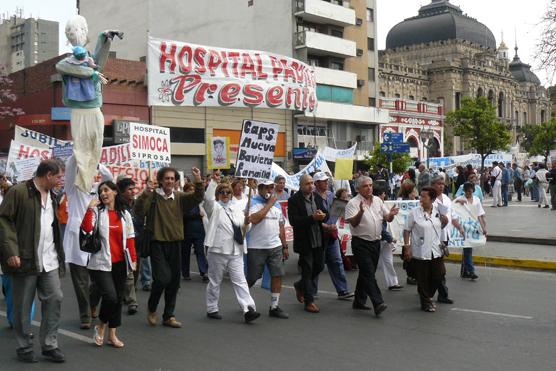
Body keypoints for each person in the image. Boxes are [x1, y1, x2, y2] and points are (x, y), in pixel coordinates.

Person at [0, 160, 66, 363]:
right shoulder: (19, 192)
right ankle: (24, 347)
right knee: (22, 306)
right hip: (25, 260)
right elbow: (3, 220)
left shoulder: (53, 197)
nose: (60, 181)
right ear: (48, 175)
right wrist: (11, 251)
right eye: (58, 177)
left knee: (55, 298)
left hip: (50, 260)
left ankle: (49, 344)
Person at [134, 167, 204, 328]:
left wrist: (198, 179)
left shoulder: (179, 197)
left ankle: (168, 315)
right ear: (160, 180)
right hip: (157, 243)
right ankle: (152, 307)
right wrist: (146, 192)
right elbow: (138, 211)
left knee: (174, 282)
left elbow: (197, 197)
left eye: (172, 179)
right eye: (166, 178)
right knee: (162, 278)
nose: (170, 181)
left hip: (175, 243)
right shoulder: (152, 197)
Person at [82, 181, 136, 348]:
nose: (103, 193)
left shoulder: (124, 214)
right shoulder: (98, 212)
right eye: (100, 191)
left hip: (121, 262)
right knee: (110, 296)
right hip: (100, 262)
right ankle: (100, 326)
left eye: (106, 190)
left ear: (114, 192)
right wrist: (90, 209)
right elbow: (86, 229)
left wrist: (133, 260)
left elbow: (130, 238)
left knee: (118, 299)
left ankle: (112, 334)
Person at [64, 155, 112, 329]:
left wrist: (96, 163)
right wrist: (78, 155)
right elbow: (69, 170)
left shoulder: (99, 189)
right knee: (81, 281)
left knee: (99, 279)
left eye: (89, 172)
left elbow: (109, 179)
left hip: (96, 240)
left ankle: (92, 303)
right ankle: (85, 315)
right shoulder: (72, 189)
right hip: (77, 241)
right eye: (82, 171)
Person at [204, 182, 260, 322]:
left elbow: (244, 226)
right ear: (218, 194)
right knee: (215, 281)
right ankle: (212, 308)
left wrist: (248, 222)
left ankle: (248, 309)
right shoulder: (214, 208)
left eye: (228, 192)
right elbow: (208, 200)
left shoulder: (236, 208)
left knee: (240, 281)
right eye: (222, 192)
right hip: (218, 250)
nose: (225, 195)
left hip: (236, 250)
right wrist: (213, 182)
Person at [344, 176, 399, 316]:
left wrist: (391, 214)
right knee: (368, 272)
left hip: (375, 243)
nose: (369, 188)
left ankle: (359, 301)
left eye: (370, 185)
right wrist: (361, 212)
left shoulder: (377, 200)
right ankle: (378, 302)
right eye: (365, 186)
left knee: (366, 273)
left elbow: (387, 218)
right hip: (360, 243)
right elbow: (354, 223)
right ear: (358, 189)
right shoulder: (352, 203)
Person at [246, 180, 289, 319]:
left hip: (275, 246)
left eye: (272, 187)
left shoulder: (277, 205)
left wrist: (285, 246)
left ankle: (274, 307)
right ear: (260, 188)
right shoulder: (252, 202)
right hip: (256, 247)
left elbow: (281, 226)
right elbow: (254, 219)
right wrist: (269, 204)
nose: (270, 190)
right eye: (267, 188)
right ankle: (244, 301)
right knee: (252, 277)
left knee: (277, 275)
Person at [402, 186, 449, 312]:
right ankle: (425, 302)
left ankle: (428, 296)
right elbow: (406, 230)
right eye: (420, 196)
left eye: (424, 196)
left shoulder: (438, 212)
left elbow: (442, 226)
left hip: (436, 250)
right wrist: (407, 247)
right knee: (422, 278)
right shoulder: (414, 213)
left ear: (432, 199)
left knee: (439, 274)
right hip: (420, 251)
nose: (420, 199)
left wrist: (445, 220)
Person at [288, 174, 327, 313]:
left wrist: (322, 216)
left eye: (312, 183)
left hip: (318, 239)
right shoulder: (294, 200)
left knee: (319, 266)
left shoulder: (316, 197)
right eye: (307, 184)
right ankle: (309, 302)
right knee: (307, 270)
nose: (311, 186)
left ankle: (300, 285)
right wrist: (312, 218)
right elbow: (294, 221)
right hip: (305, 241)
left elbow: (325, 214)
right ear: (301, 185)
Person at [312, 172, 354, 300]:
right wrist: (326, 227)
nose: (326, 182)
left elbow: (337, 212)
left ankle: (342, 290)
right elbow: (312, 218)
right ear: (316, 183)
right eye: (323, 181)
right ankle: (311, 291)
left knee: (337, 261)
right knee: (317, 264)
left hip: (332, 234)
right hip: (319, 235)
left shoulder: (331, 195)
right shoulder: (312, 198)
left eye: (326, 180)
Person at [430, 175, 465, 304]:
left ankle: (428, 290)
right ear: (433, 185)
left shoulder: (446, 199)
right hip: (433, 238)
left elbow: (453, 216)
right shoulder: (429, 199)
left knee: (436, 267)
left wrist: (460, 228)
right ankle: (441, 293)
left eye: (442, 184)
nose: (441, 186)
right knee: (439, 268)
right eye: (438, 184)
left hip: (445, 237)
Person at [117, 177, 144, 315]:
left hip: (137, 244)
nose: (133, 191)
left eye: (134, 188)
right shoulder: (117, 206)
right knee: (128, 274)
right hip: (122, 244)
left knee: (134, 272)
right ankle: (132, 302)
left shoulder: (137, 204)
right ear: (121, 192)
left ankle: (125, 295)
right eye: (130, 189)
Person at [455, 182, 487, 280]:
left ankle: (464, 271)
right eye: (467, 191)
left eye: (470, 191)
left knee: (468, 249)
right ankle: (471, 271)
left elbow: (480, 215)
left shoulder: (476, 200)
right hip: (464, 229)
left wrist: (484, 228)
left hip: (474, 228)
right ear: (464, 191)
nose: (469, 193)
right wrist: (458, 202)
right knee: (467, 249)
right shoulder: (460, 199)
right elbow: (452, 208)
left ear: (473, 190)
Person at [374, 185, 402, 291]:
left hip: (383, 239)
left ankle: (393, 283)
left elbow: (388, 219)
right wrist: (390, 238)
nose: (385, 195)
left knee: (388, 261)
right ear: (379, 195)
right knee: (372, 264)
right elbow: (379, 226)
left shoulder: (382, 205)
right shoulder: (376, 206)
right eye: (383, 193)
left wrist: (391, 214)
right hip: (377, 238)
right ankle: (368, 283)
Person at [181, 182, 209, 282]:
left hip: (199, 231)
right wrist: (197, 215)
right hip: (186, 232)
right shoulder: (183, 203)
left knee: (200, 252)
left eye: (193, 189)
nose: (192, 191)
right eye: (189, 190)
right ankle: (185, 273)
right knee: (185, 253)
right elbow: (183, 216)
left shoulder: (199, 202)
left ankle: (204, 272)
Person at [397, 181, 419, 285]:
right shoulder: (401, 202)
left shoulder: (418, 202)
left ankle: (414, 275)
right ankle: (410, 276)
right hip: (406, 233)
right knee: (408, 256)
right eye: (414, 190)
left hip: (416, 233)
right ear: (410, 192)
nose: (416, 191)